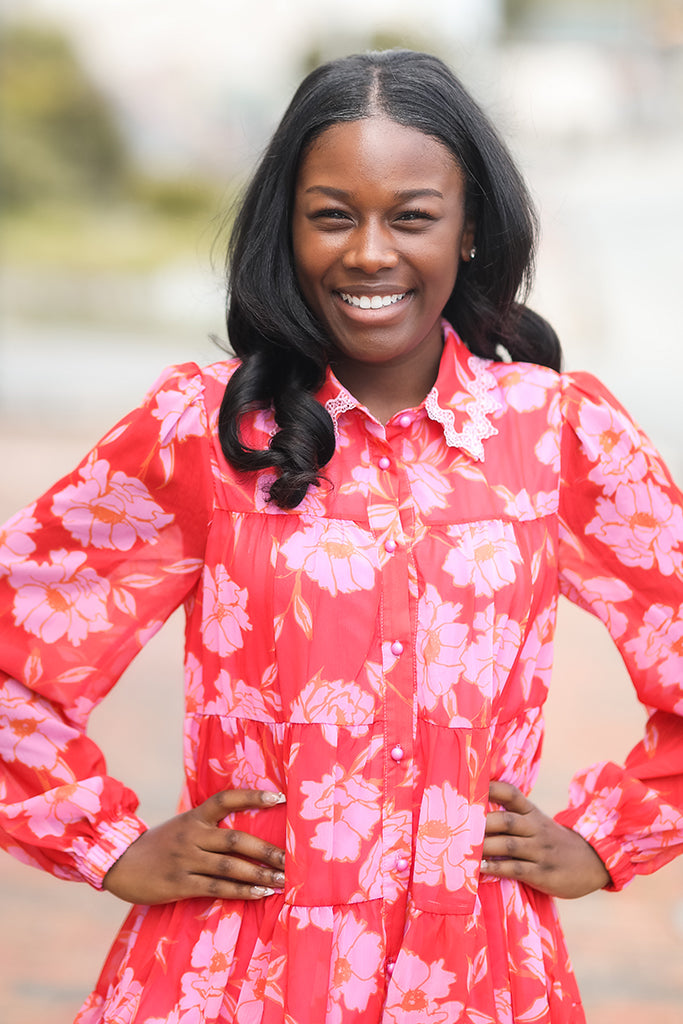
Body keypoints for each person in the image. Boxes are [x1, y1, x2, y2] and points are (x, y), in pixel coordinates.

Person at [0, 48, 681, 1024]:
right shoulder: (205, 433)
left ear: (470, 228)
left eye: (410, 216)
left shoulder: (559, 435)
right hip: (236, 974)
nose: (369, 252)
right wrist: (105, 841)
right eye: (332, 214)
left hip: (474, 981)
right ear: (287, 226)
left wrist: (611, 835)